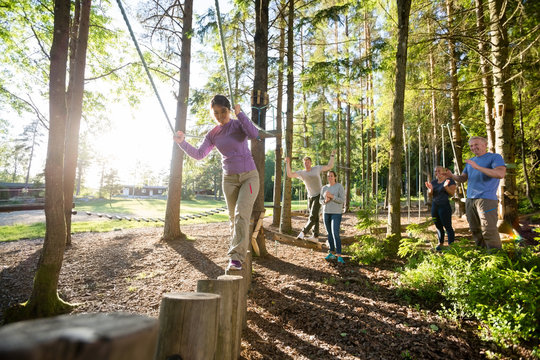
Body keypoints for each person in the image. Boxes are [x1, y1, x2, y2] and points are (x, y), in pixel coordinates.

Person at [174, 94, 259, 271]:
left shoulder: (238, 124)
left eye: (223, 111)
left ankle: (236, 257)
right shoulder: (213, 134)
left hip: (249, 176)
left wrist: (240, 114)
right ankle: (240, 250)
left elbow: (254, 133)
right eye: (216, 113)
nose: (220, 116)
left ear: (229, 110)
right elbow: (199, 154)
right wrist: (182, 143)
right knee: (233, 219)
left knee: (241, 214)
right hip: (229, 179)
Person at [445, 136, 506, 250]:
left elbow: (500, 174)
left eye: (476, 144)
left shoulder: (494, 157)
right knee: (475, 229)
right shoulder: (471, 161)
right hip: (470, 199)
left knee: (488, 230)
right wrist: (452, 176)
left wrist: (477, 167)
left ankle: (496, 257)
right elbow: (463, 178)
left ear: (485, 145)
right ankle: (482, 255)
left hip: (486, 199)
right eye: (471, 146)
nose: (473, 147)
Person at [285, 150, 336, 241]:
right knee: (315, 216)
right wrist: (288, 163)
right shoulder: (302, 173)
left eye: (308, 162)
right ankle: (315, 236)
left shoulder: (316, 168)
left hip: (319, 195)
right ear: (303, 164)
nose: (307, 164)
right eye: (305, 163)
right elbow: (289, 174)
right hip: (310, 197)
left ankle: (303, 233)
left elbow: (329, 166)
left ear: (311, 163)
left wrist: (332, 155)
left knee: (312, 216)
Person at [426, 166, 456, 251]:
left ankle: (451, 245)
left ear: (444, 171)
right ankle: (440, 243)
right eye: (435, 171)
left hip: (444, 206)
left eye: (439, 171)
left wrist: (446, 187)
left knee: (448, 226)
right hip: (435, 206)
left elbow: (452, 193)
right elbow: (430, 194)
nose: (437, 173)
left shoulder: (450, 181)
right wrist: (430, 190)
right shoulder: (434, 182)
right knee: (438, 226)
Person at [320, 171, 345, 263]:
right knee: (329, 233)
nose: (329, 177)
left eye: (331, 176)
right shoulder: (324, 188)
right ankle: (331, 253)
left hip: (336, 213)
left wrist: (332, 196)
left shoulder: (339, 186)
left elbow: (342, 200)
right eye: (328, 176)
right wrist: (325, 201)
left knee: (335, 233)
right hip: (326, 212)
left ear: (335, 177)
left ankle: (339, 255)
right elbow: (320, 201)